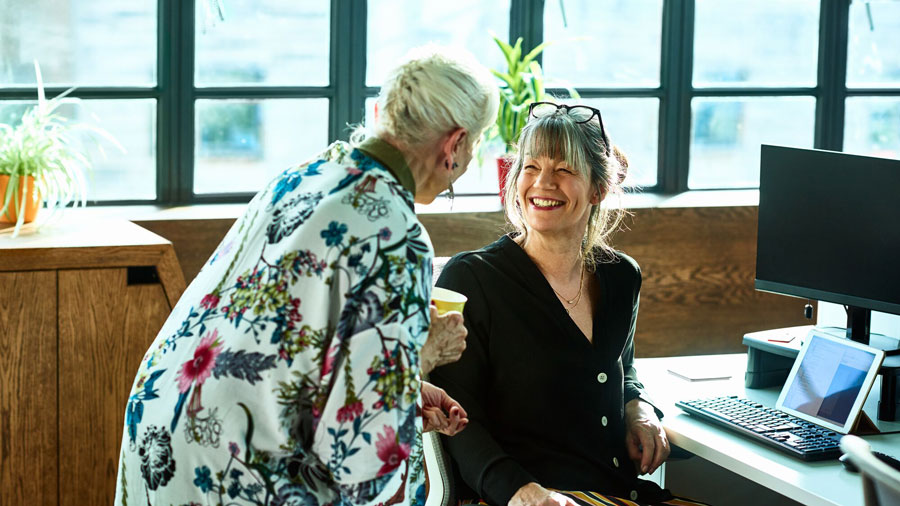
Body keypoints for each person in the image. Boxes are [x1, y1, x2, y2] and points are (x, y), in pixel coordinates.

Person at [114, 45, 498, 506]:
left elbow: (287, 341)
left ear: (381, 113)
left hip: (162, 429)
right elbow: (358, 457)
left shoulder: (302, 176)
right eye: (475, 145)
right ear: (453, 145)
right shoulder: (397, 234)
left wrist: (402, 383)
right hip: (237, 465)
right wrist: (422, 353)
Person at [430, 101, 704, 506]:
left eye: (564, 169)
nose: (543, 183)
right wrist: (522, 493)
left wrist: (638, 408)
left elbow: (620, 367)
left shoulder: (621, 276)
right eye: (531, 167)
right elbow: (458, 422)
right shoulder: (470, 278)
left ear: (598, 188)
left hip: (617, 492)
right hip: (523, 498)